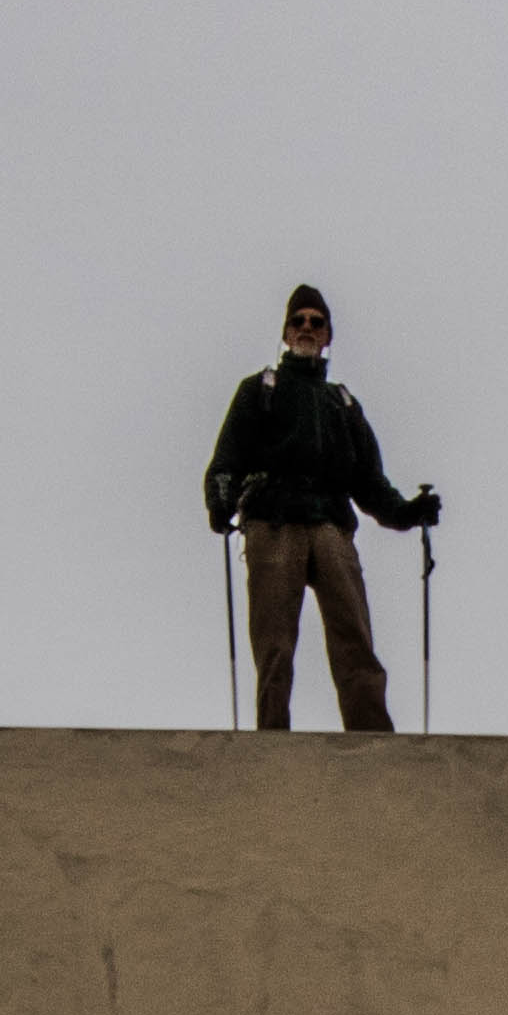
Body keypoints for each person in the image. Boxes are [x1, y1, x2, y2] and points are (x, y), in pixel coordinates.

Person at [202, 284, 435, 731]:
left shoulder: (341, 404)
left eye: (316, 321)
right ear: (286, 333)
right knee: (274, 643)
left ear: (328, 335)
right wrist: (220, 499)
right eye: (298, 321)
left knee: (354, 638)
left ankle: (372, 739)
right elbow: (227, 458)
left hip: (331, 525)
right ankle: (272, 740)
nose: (307, 327)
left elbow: (370, 482)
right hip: (273, 522)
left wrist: (409, 511)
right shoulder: (260, 390)